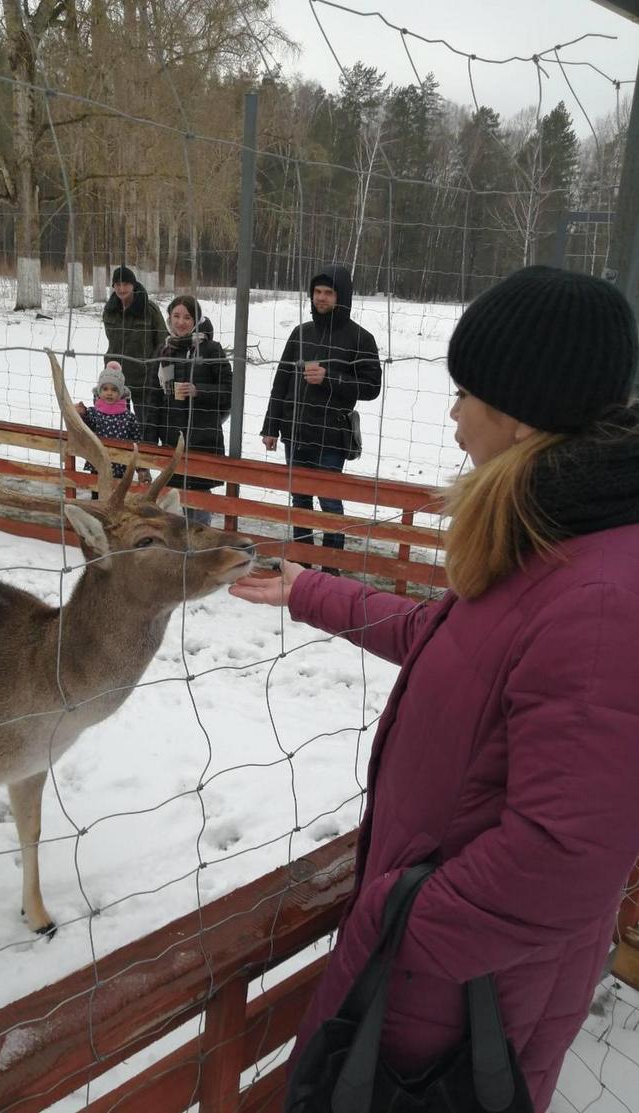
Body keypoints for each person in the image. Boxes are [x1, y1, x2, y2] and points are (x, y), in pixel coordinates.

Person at [232, 266, 639, 1113]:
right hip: (449, 977)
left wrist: (398, 925)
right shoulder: (556, 530)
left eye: (465, 395)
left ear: (519, 414)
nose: (452, 415)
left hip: (462, 997)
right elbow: (449, 645)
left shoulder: (599, 598)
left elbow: (561, 858)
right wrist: (313, 590)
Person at [261, 264, 382, 572]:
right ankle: (302, 561)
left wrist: (331, 379)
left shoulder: (360, 339)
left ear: (343, 297)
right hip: (295, 431)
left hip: (331, 435)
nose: (321, 298)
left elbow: (371, 388)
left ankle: (331, 566)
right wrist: (271, 425)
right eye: (317, 292)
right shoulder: (300, 333)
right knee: (300, 499)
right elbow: (281, 381)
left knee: (329, 501)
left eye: (329, 293)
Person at [143, 295, 232, 526]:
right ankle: (176, 552)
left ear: (196, 320)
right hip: (172, 442)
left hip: (203, 440)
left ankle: (200, 551)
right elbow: (154, 398)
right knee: (172, 501)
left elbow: (230, 393)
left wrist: (198, 390)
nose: (181, 322)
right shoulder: (164, 351)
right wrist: (150, 442)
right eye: (176, 316)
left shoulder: (212, 350)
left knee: (199, 503)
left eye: (187, 317)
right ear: (169, 318)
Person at [102, 265, 168, 429]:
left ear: (133, 285)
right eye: (117, 284)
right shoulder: (109, 310)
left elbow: (163, 342)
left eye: (126, 284)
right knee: (116, 426)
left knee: (143, 428)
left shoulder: (149, 310)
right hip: (115, 379)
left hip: (143, 380)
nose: (122, 288)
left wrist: (153, 367)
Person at [76, 361, 151, 484]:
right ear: (99, 391)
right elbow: (84, 426)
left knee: (118, 496)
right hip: (98, 464)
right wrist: (82, 413)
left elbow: (136, 443)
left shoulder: (128, 418)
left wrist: (141, 468)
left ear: (121, 392)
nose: (109, 393)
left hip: (121, 467)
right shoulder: (93, 413)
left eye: (114, 389)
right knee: (97, 494)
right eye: (105, 389)